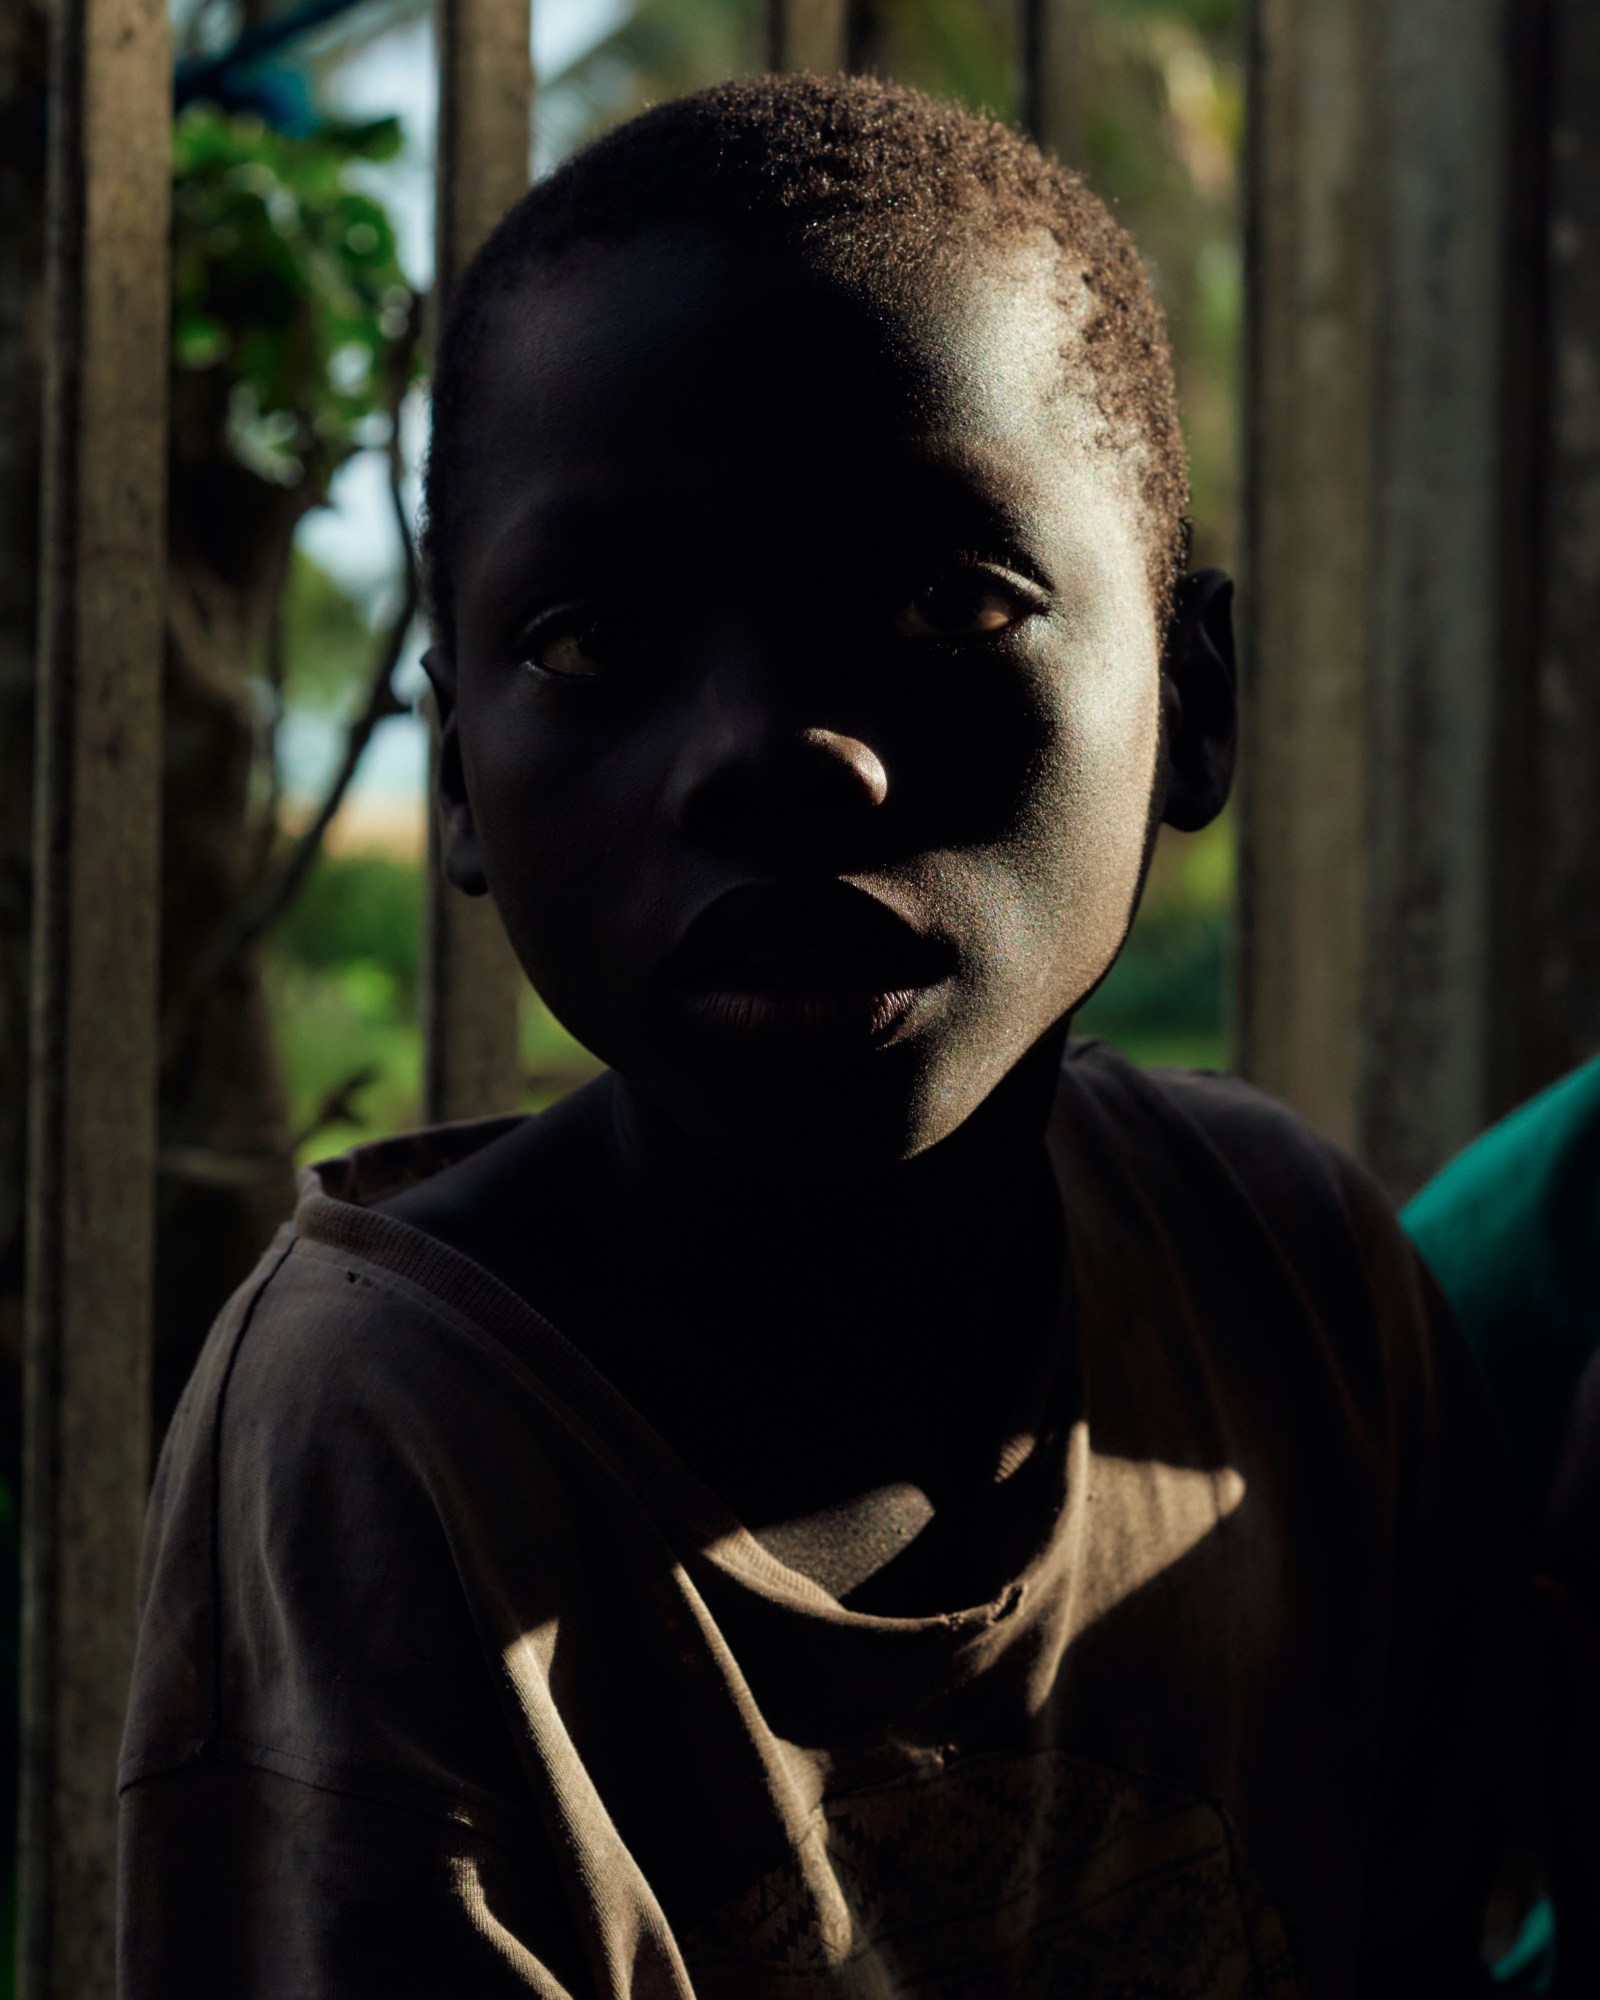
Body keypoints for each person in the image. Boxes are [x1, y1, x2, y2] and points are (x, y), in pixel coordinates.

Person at [119, 76, 1530, 1998]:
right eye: (597, 644)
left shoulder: (1284, 1286)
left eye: (950, 601)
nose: (783, 755)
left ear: (1192, 700)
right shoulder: (391, 1446)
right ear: (459, 779)